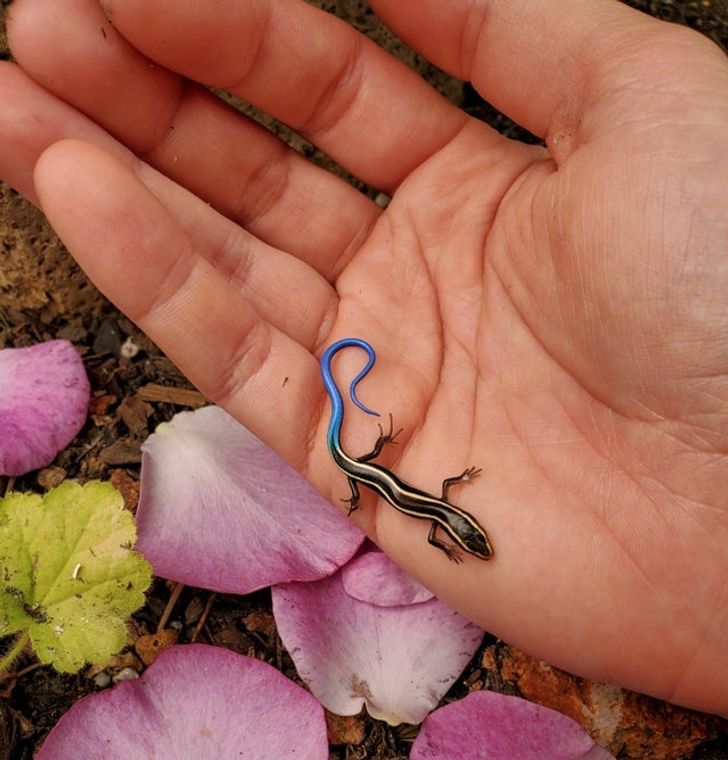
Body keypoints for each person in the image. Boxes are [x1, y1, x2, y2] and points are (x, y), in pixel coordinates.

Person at [1, 0, 726, 718]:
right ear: (459, 526)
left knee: (361, 435)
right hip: (363, 466)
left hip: (367, 467)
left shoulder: (438, 507)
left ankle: (351, 410)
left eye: (465, 542)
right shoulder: (434, 505)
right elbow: (435, 492)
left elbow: (437, 492)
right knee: (359, 440)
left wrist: (378, 493)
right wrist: (368, 490)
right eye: (464, 539)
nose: (463, 538)